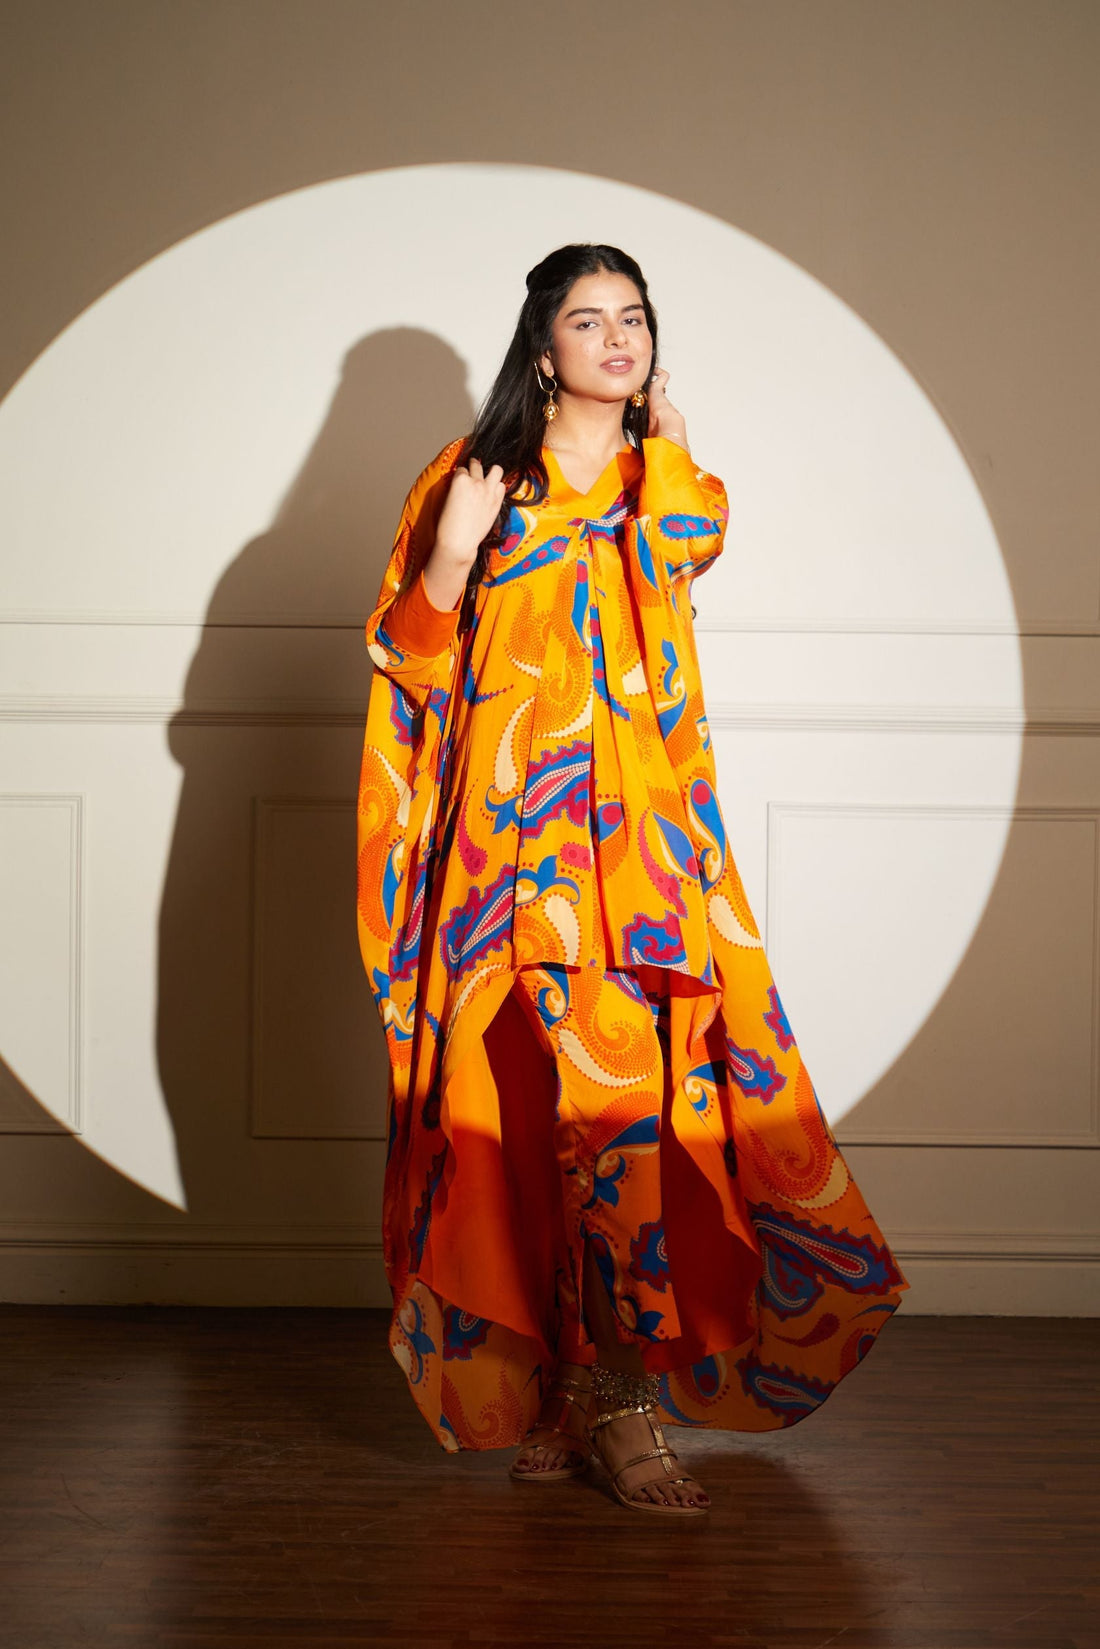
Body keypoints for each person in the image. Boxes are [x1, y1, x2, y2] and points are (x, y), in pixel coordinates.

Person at [356, 243, 909, 1518]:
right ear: (541, 346)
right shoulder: (470, 477)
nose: (617, 338)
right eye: (587, 320)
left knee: (623, 1128)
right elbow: (409, 659)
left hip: (638, 866)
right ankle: (577, 1390)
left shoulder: (670, 482)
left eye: (635, 318)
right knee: (519, 1127)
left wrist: (668, 442)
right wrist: (450, 556)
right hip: (501, 861)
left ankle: (617, 1399)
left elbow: (684, 547)